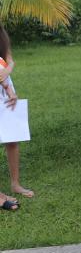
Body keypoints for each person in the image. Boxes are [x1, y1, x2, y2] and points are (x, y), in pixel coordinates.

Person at [0, 24, 31, 209]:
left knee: (12, 138)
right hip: (3, 84)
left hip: (4, 88)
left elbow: (7, 60)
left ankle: (15, 183)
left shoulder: (2, 35)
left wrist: (9, 85)